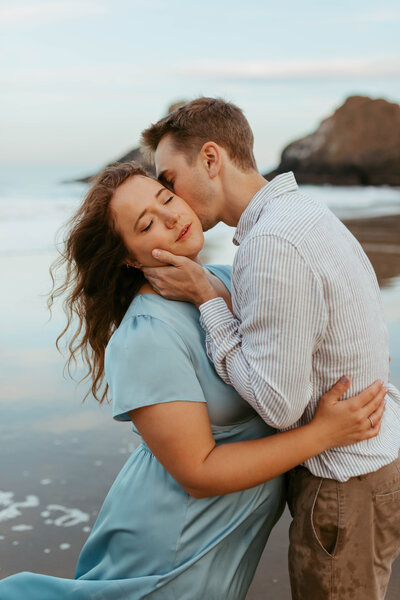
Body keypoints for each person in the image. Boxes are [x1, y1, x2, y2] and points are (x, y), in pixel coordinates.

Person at [0, 163, 386, 600]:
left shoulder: (227, 278)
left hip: (220, 542)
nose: (170, 218)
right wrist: (322, 434)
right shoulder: (147, 335)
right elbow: (198, 473)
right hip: (170, 549)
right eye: (146, 225)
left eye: (166, 199)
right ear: (129, 256)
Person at [140, 97, 400, 600]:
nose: (170, 199)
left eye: (169, 181)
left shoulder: (272, 244)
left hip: (344, 478)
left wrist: (208, 301)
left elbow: (278, 403)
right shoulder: (304, 214)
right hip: (375, 459)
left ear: (211, 159)